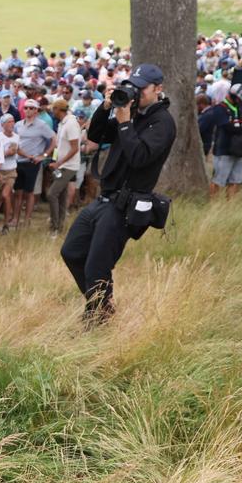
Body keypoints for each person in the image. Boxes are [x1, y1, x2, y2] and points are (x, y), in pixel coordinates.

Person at [61, 64, 176, 325]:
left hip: (126, 205)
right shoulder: (130, 110)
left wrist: (125, 124)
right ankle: (103, 305)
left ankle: (96, 320)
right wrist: (105, 109)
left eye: (142, 88)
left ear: (158, 89)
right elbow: (96, 135)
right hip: (104, 198)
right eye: (132, 86)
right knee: (71, 251)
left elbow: (139, 158)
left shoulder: (162, 123)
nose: (136, 92)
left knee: (97, 266)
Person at [201, 82, 242, 200]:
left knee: (235, 180)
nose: (240, 101)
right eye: (239, 98)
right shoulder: (220, 108)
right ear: (233, 96)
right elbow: (227, 127)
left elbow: (240, 124)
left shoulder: (238, 108)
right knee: (218, 180)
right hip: (223, 150)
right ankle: (213, 205)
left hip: (239, 150)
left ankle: (230, 206)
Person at [11, 99, 54, 229]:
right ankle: (15, 218)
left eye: (31, 108)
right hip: (19, 161)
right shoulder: (18, 124)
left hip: (33, 162)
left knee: (29, 192)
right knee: (18, 192)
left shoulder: (42, 125)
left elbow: (54, 140)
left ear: (36, 110)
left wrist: (44, 155)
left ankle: (27, 220)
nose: (28, 110)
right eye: (26, 108)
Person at [46, 99, 82, 235]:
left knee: (52, 194)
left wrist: (58, 163)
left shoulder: (71, 124)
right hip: (63, 165)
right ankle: (59, 227)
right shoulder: (62, 123)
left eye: (53, 109)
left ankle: (54, 227)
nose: (52, 112)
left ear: (58, 110)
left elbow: (74, 148)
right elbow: (61, 146)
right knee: (60, 195)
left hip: (69, 166)